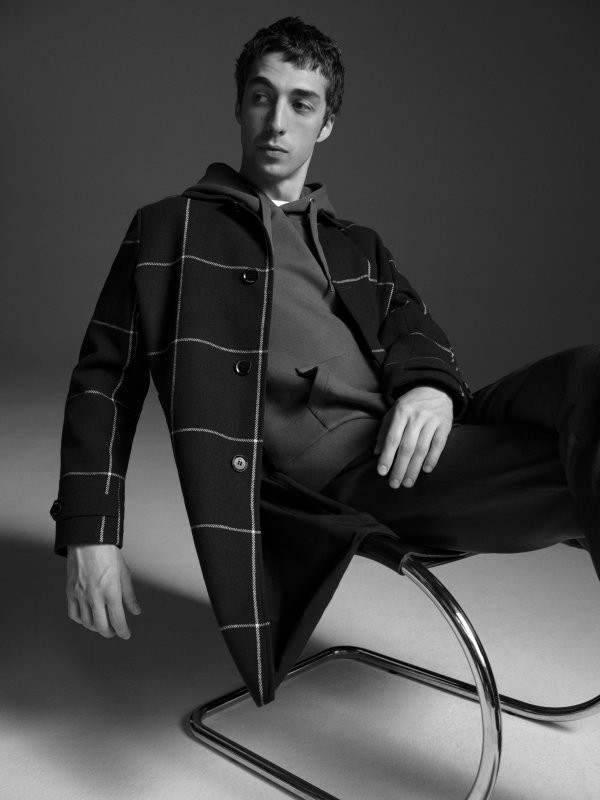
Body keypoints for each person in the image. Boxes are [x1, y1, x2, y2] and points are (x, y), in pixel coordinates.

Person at [51, 16, 599, 707]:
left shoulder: (355, 242)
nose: (277, 122)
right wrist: (91, 533)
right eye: (262, 97)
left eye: (301, 104)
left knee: (592, 374)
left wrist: (430, 388)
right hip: (354, 475)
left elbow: (414, 328)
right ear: (239, 105)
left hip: (428, 430)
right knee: (577, 463)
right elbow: (105, 379)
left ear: (327, 124)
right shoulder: (171, 229)